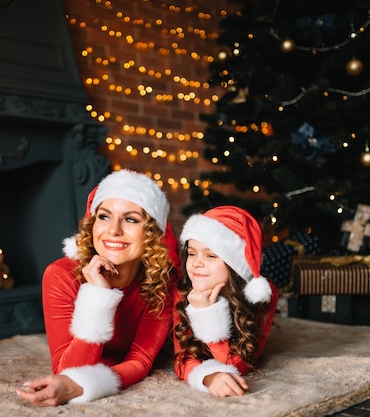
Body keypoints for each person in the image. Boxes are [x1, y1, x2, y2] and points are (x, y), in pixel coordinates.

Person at [17, 169, 180, 406]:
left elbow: (141, 361)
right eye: (104, 217)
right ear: (92, 224)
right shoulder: (60, 275)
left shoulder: (161, 281)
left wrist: (85, 386)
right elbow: (68, 370)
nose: (113, 230)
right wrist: (98, 295)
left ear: (152, 234)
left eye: (131, 219)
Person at [172, 205, 279, 397]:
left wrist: (210, 316)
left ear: (235, 264)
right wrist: (209, 377)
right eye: (192, 253)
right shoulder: (182, 293)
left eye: (211, 255)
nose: (196, 263)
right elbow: (182, 359)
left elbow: (237, 365)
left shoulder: (262, 295)